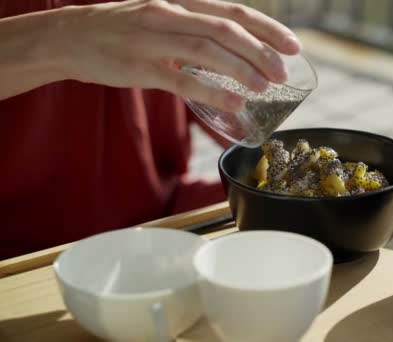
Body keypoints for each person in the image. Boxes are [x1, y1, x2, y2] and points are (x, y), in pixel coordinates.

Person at [0, 0, 302, 259]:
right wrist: (59, 37)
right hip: (21, 254)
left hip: (164, 219)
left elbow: (195, 68)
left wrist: (237, 103)